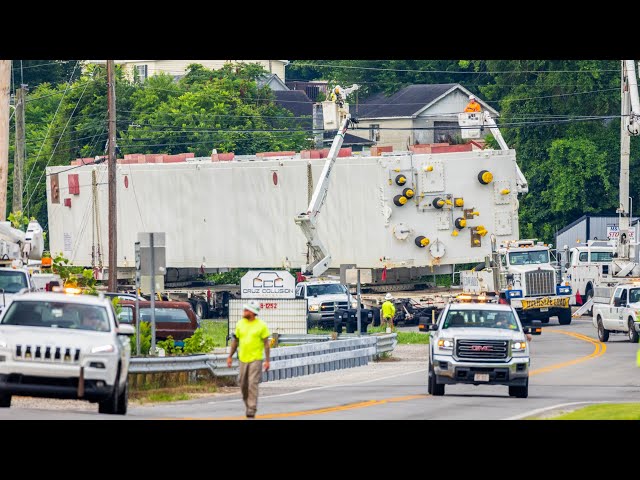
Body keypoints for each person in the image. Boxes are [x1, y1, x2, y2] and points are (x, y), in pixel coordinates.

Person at [226, 300, 271, 419]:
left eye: (246, 310)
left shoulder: (261, 325)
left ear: (252, 312)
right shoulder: (240, 324)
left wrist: (267, 360)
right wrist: (230, 356)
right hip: (243, 358)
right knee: (243, 384)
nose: (244, 312)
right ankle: (248, 405)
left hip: (256, 359)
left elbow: (266, 344)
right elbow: (235, 341)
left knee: (252, 383)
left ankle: (251, 408)